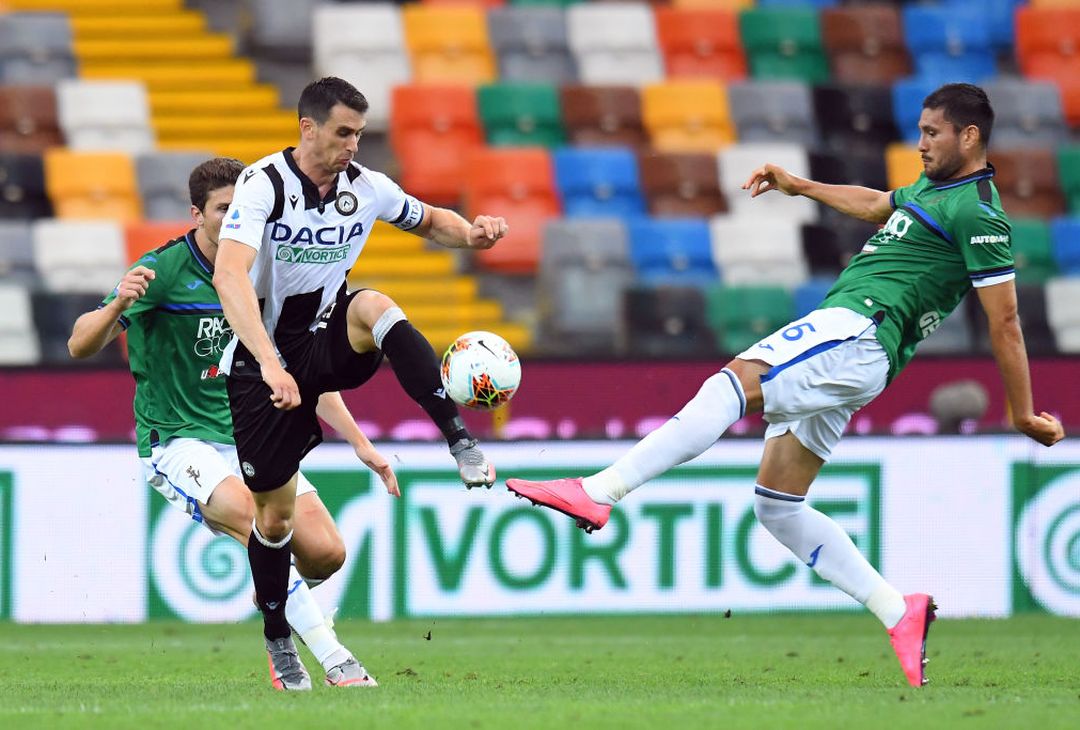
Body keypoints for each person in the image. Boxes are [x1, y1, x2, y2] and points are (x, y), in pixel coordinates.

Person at [508, 83, 1065, 688]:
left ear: (970, 136)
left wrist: (1023, 412)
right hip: (860, 350)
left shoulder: (980, 212)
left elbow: (1004, 320)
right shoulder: (937, 187)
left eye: (932, 132)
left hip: (860, 328)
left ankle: (600, 490)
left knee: (731, 386)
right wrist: (802, 187)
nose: (921, 142)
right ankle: (897, 610)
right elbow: (883, 204)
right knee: (778, 506)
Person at [212, 77, 509, 690]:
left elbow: (428, 221)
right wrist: (268, 362)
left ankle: (458, 437)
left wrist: (472, 234)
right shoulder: (262, 185)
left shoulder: (365, 188)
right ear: (308, 127)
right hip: (260, 364)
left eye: (359, 134)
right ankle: (277, 637)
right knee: (273, 522)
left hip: (325, 339)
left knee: (373, 304)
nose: (352, 145)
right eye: (343, 132)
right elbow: (230, 273)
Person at [68, 157, 399, 690]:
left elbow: (302, 369)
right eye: (224, 209)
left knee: (326, 553)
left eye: (243, 208)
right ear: (197, 213)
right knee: (256, 521)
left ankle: (273, 597)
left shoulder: (267, 272)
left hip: (250, 432)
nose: (236, 218)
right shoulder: (164, 270)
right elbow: (79, 343)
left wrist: (360, 442)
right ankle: (330, 659)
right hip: (179, 441)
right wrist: (115, 308)